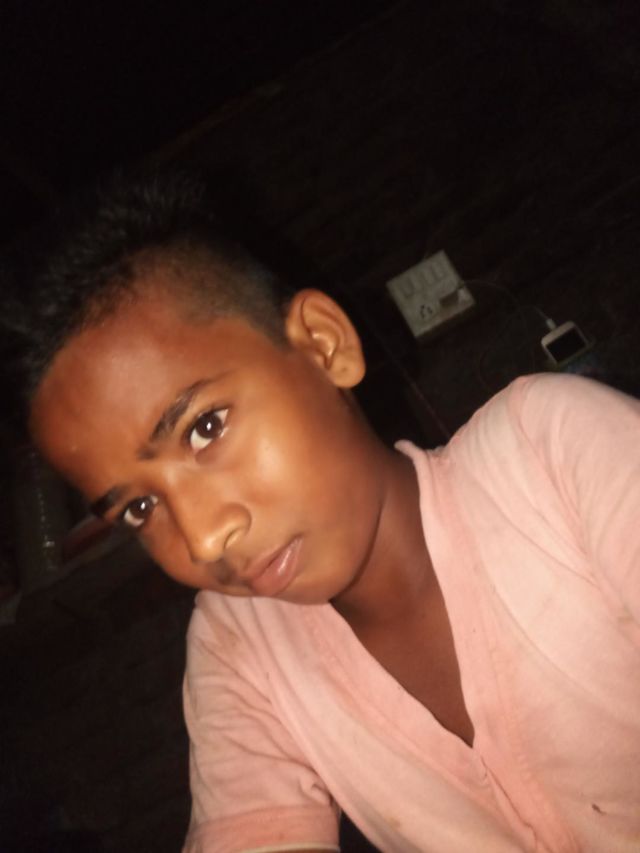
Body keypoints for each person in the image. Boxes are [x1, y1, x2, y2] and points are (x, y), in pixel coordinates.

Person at [11, 171, 640, 853]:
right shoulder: (241, 648)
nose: (204, 537)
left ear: (323, 345)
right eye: (139, 507)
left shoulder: (552, 454)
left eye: (205, 427)